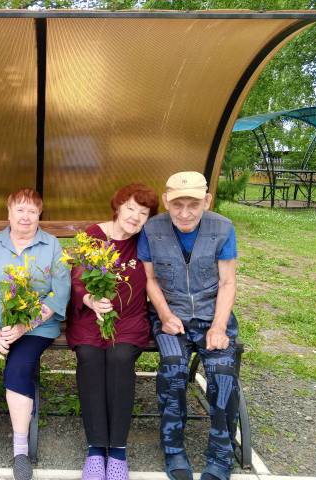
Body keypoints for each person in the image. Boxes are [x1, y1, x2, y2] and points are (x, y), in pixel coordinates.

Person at [0, 188, 71, 480]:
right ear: (8, 213)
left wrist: (24, 326)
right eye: (19, 210)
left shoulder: (52, 246)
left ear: (39, 214)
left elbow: (59, 293)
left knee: (19, 370)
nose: (25, 216)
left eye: (32, 211)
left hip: (36, 327)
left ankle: (20, 450)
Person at [138, 171, 239, 480]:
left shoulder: (223, 228)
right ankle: (173, 449)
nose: (185, 213)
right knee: (172, 367)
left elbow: (228, 282)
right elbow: (150, 280)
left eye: (193, 204)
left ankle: (221, 454)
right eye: (177, 204)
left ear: (206, 201)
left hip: (212, 316)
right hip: (171, 315)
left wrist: (218, 327)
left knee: (223, 372)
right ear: (166, 201)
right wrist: (165, 315)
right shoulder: (151, 229)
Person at [66, 183, 159, 480]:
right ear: (118, 207)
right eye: (130, 208)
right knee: (90, 357)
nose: (135, 217)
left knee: (119, 359)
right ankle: (96, 449)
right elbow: (77, 278)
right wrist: (90, 300)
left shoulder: (144, 241)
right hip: (90, 318)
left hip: (129, 318)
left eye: (143, 213)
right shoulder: (94, 235)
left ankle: (117, 450)